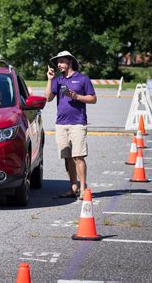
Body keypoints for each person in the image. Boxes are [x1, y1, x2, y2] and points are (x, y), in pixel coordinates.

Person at [45, 50, 97, 200]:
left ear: (70, 62)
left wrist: (76, 96)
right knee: (67, 158)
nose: (59, 65)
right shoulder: (58, 80)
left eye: (61, 61)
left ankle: (83, 189)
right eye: (58, 62)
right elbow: (48, 98)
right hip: (61, 124)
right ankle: (73, 187)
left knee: (78, 157)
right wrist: (50, 79)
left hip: (77, 123)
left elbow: (93, 99)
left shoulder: (82, 79)